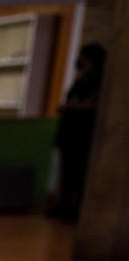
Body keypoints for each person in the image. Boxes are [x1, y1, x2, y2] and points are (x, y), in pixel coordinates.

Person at [52, 43, 106, 221]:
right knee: (68, 173)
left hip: (82, 135)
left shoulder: (99, 78)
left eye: (81, 55)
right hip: (70, 133)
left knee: (79, 174)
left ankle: (75, 209)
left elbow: (95, 104)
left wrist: (70, 107)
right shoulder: (83, 78)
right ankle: (65, 205)